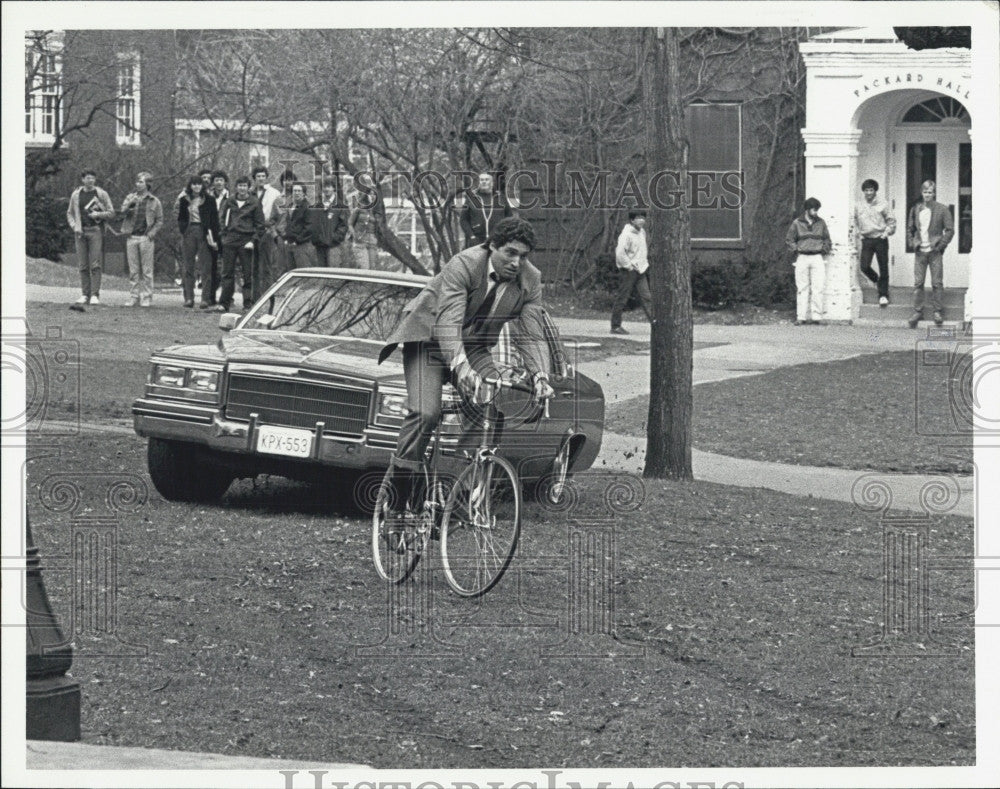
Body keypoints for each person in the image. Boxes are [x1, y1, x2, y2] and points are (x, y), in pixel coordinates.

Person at [377, 217, 554, 511]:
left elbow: (531, 333)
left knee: (489, 410)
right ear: (492, 246)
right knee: (425, 412)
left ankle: (454, 490)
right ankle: (397, 497)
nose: (516, 262)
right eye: (510, 252)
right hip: (428, 341)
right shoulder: (465, 264)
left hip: (475, 347)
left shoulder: (530, 279)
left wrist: (540, 376)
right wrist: (462, 369)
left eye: (523, 256)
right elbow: (448, 322)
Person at [907, 180, 954, 328]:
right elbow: (910, 229)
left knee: (937, 283)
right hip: (920, 251)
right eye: (925, 192)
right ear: (922, 193)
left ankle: (937, 311)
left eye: (930, 192)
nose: (927, 195)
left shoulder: (942, 209)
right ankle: (917, 311)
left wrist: (941, 246)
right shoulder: (916, 209)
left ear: (934, 193)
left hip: (935, 252)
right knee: (918, 283)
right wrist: (912, 243)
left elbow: (950, 230)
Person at [66, 169, 115, 306]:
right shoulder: (76, 194)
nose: (90, 180)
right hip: (80, 232)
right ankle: (84, 294)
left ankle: (94, 294)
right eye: (88, 178)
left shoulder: (101, 194)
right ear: (83, 179)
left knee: (95, 264)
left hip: (95, 231)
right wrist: (74, 226)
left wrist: (98, 215)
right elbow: (69, 213)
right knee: (82, 265)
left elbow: (111, 212)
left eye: (93, 178)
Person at [217, 176, 265, 313]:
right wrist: (224, 236)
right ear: (236, 187)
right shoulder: (229, 201)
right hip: (230, 240)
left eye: (244, 186)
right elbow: (221, 219)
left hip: (246, 241)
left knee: (247, 273)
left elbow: (260, 225)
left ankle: (247, 304)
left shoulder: (254, 203)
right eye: (239, 185)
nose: (242, 188)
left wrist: (252, 240)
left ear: (248, 187)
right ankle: (224, 303)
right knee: (227, 273)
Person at [119, 172, 164, 308]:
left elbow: (159, 220)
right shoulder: (130, 197)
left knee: (147, 270)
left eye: (141, 182)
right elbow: (122, 212)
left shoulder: (154, 201)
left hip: (146, 238)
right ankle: (134, 297)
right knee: (133, 270)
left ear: (147, 184)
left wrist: (152, 233)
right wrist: (130, 205)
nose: (138, 184)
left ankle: (147, 297)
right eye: (137, 181)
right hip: (131, 237)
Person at [785, 197, 831, 325]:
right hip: (802, 257)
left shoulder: (821, 223)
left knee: (818, 287)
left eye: (817, 210)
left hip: (817, 257)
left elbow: (827, 239)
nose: (816, 212)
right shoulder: (797, 223)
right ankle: (801, 317)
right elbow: (789, 239)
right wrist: (796, 249)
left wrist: (823, 250)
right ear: (807, 209)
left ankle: (817, 317)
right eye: (813, 209)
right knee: (802, 288)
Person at [177, 175, 220, 308]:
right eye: (194, 184)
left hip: (204, 232)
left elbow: (214, 220)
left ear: (202, 186)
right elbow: (180, 217)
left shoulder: (209, 200)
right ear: (190, 186)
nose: (196, 186)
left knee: (205, 266)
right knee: (188, 266)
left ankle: (205, 299)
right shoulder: (184, 200)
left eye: (199, 184)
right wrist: (183, 229)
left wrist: (214, 237)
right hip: (189, 231)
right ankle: (189, 298)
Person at [610, 209, 653, 335]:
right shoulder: (626, 234)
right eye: (638, 218)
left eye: (643, 218)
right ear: (632, 220)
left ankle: (655, 324)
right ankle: (615, 326)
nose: (642, 220)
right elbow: (620, 253)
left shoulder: (642, 232)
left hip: (641, 270)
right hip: (629, 271)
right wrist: (629, 266)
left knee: (647, 297)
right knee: (622, 298)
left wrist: (643, 265)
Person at [854, 178, 896, 306]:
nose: (868, 193)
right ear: (863, 191)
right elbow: (854, 220)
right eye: (866, 190)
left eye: (871, 190)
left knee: (883, 266)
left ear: (875, 191)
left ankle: (883, 295)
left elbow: (891, 221)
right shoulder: (858, 205)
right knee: (864, 266)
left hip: (880, 239)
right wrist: (859, 233)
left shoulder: (883, 204)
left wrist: (886, 233)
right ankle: (877, 281)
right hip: (867, 239)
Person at [251, 166, 283, 302]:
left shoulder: (274, 193)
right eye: (258, 176)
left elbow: (280, 214)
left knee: (267, 266)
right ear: (254, 178)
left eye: (263, 176)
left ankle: (267, 298)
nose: (261, 179)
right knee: (253, 266)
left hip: (267, 231)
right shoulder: (249, 192)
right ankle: (255, 298)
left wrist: (273, 228)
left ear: (266, 177)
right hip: (252, 232)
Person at [459, 172, 513, 248]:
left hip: (497, 240)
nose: (484, 182)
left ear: (492, 183)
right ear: (479, 182)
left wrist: (504, 234)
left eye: (486, 180)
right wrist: (472, 236)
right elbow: (463, 220)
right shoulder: (471, 198)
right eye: (481, 180)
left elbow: (509, 218)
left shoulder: (501, 197)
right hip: (476, 240)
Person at [282, 182, 319, 269]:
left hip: (302, 245)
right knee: (291, 272)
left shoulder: (307, 208)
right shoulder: (291, 206)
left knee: (303, 271)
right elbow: (287, 225)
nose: (297, 193)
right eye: (295, 191)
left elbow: (309, 228)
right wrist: (286, 238)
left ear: (303, 193)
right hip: (290, 244)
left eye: (299, 191)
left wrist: (297, 240)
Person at [313, 182, 350, 266]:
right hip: (319, 246)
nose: (326, 189)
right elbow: (314, 223)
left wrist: (334, 238)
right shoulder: (318, 205)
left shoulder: (340, 205)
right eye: (324, 187)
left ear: (334, 188)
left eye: (329, 186)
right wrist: (316, 238)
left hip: (333, 246)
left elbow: (344, 225)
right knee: (321, 273)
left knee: (333, 272)